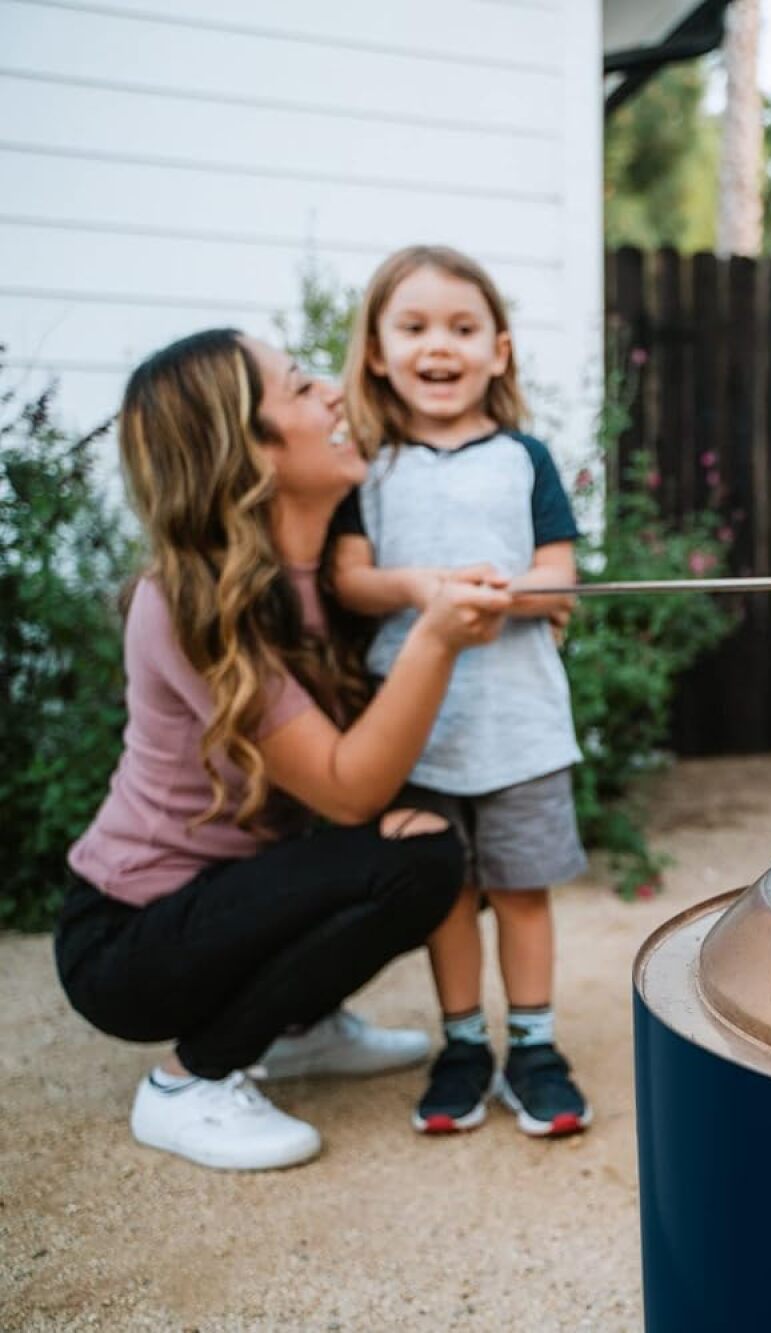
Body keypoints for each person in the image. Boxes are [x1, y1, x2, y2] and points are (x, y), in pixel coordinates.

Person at [53, 329, 514, 1172]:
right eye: (301, 389)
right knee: (417, 859)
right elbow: (346, 792)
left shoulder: (333, 577)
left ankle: (295, 1028)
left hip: (239, 889)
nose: (335, 393)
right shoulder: (187, 602)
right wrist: (436, 638)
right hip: (128, 941)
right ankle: (188, 1080)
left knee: (439, 834)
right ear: (249, 453)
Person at [332, 245, 592, 1138]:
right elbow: (349, 578)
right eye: (413, 327)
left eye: (461, 327)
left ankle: (534, 1045)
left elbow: (561, 577)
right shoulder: (367, 467)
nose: (437, 346)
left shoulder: (524, 458)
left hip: (519, 725)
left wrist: (508, 593)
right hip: (418, 732)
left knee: (522, 889)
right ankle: (462, 1043)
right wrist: (420, 589)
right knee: (445, 890)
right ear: (374, 351)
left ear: (500, 350)